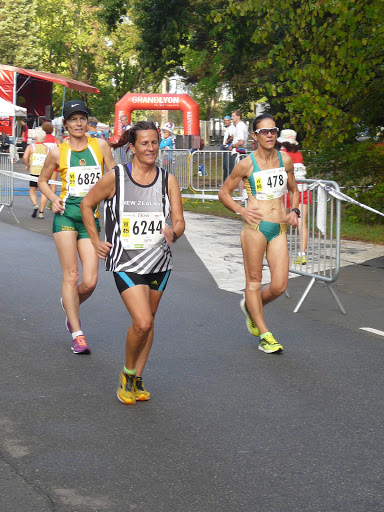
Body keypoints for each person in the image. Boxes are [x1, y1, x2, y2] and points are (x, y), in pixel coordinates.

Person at [81, 121, 185, 405]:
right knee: (142, 321)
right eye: (144, 143)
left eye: (154, 142)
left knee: (149, 324)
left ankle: (138, 378)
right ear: (132, 147)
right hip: (126, 261)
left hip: (159, 262)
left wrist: (173, 232)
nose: (150, 148)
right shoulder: (116, 177)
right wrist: (94, 238)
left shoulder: (168, 179)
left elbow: (179, 221)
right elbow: (87, 204)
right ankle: (127, 374)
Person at [38, 100, 116, 354]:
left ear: (87, 121)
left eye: (82, 118)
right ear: (66, 124)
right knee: (71, 275)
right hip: (66, 217)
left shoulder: (100, 146)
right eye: (73, 119)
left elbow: (115, 177)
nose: (79, 123)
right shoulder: (57, 152)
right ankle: (77, 332)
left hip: (90, 220)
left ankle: (70, 306)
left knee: (90, 281)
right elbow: (42, 181)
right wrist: (52, 198)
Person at [218, 114, 300, 354]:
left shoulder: (285, 160)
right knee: (254, 282)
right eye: (264, 132)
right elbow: (224, 193)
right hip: (255, 228)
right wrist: (241, 210)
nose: (270, 135)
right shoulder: (246, 164)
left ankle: (252, 308)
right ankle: (265, 335)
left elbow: (294, 189)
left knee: (279, 286)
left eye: (273, 130)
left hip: (278, 228)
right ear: (254, 136)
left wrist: (294, 210)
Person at [277, 129, 311, 265]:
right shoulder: (299, 154)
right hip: (303, 190)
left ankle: (277, 252)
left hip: (286, 191)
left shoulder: (281, 154)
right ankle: (302, 254)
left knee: (279, 221)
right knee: (302, 223)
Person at [23, 131, 49, 219]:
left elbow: (25, 157)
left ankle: (35, 205)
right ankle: (41, 212)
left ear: (36, 138)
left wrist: (27, 165)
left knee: (32, 190)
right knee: (44, 192)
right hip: (44, 173)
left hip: (34, 172)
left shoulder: (31, 147)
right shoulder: (47, 148)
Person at [42, 121, 60, 210]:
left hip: (44, 163)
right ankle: (52, 201)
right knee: (53, 183)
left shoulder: (42, 139)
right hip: (55, 164)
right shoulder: (56, 140)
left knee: (43, 182)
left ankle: (44, 201)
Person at [221, 115, 235, 181]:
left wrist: (227, 141)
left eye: (227, 120)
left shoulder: (231, 128)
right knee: (225, 166)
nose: (225, 122)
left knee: (227, 166)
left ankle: (228, 181)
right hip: (226, 147)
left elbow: (233, 135)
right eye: (225, 120)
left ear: (230, 121)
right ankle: (225, 181)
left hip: (228, 148)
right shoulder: (228, 128)